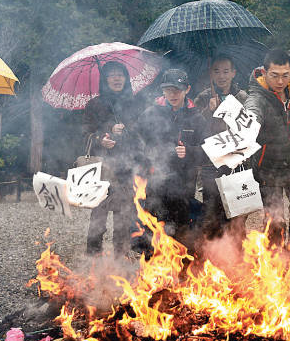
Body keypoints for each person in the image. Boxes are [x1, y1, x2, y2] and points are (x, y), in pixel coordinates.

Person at [244, 49, 290, 251]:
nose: (280, 81)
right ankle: (273, 263)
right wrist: (250, 123)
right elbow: (252, 112)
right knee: (274, 219)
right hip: (269, 167)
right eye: (274, 75)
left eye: (285, 75)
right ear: (264, 72)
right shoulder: (257, 96)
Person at [135, 69, 208, 254]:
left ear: (187, 89)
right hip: (155, 184)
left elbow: (208, 151)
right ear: (162, 91)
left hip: (184, 187)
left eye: (177, 89)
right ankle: (153, 275)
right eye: (168, 90)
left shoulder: (197, 117)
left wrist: (189, 152)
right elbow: (135, 145)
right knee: (154, 230)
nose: (173, 94)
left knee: (181, 232)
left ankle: (182, 273)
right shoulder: (150, 114)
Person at [82, 61, 142, 260]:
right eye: (112, 75)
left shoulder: (135, 103)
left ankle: (121, 256)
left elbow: (143, 133)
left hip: (127, 165)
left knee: (124, 213)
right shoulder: (94, 104)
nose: (117, 78)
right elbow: (85, 134)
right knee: (98, 211)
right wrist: (104, 136)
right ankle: (93, 256)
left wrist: (126, 131)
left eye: (120, 74)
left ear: (126, 78)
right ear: (104, 80)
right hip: (102, 166)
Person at [193, 54, 248, 248]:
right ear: (211, 73)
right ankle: (214, 256)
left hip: (235, 163)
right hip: (210, 163)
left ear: (233, 73)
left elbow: (250, 130)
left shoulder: (242, 97)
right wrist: (208, 111)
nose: (221, 76)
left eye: (226, 71)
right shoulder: (203, 97)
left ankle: (237, 256)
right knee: (211, 211)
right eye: (216, 71)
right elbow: (194, 129)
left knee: (236, 213)